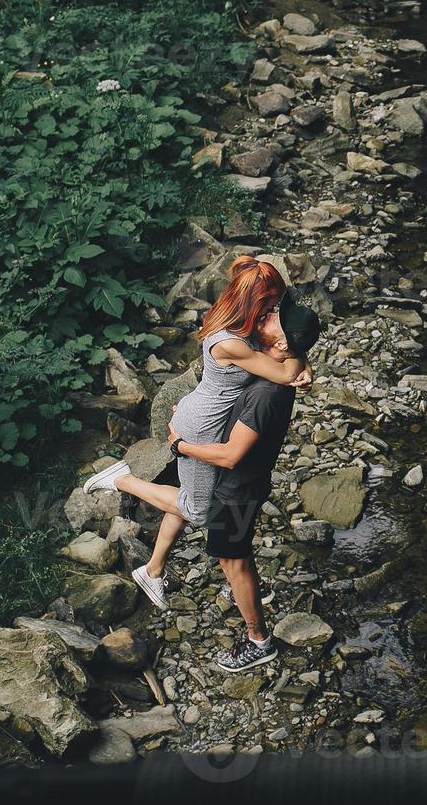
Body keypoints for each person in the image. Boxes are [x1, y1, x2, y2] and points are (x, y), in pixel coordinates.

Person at [83, 257, 310, 610]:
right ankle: (123, 479)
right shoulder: (231, 342)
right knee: (199, 509)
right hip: (202, 427)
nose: (273, 312)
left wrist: (300, 360)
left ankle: (153, 570)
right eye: (269, 306)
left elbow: (280, 353)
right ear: (254, 303)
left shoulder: (239, 322)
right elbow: (282, 372)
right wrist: (300, 358)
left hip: (209, 416)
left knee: (192, 494)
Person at [167, 291, 319, 672]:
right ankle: (250, 589)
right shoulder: (273, 365)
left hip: (235, 491)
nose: (265, 316)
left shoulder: (267, 394)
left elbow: (231, 455)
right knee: (237, 557)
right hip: (246, 485)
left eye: (272, 318)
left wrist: (181, 446)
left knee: (231, 559)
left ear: (281, 342)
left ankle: (258, 640)